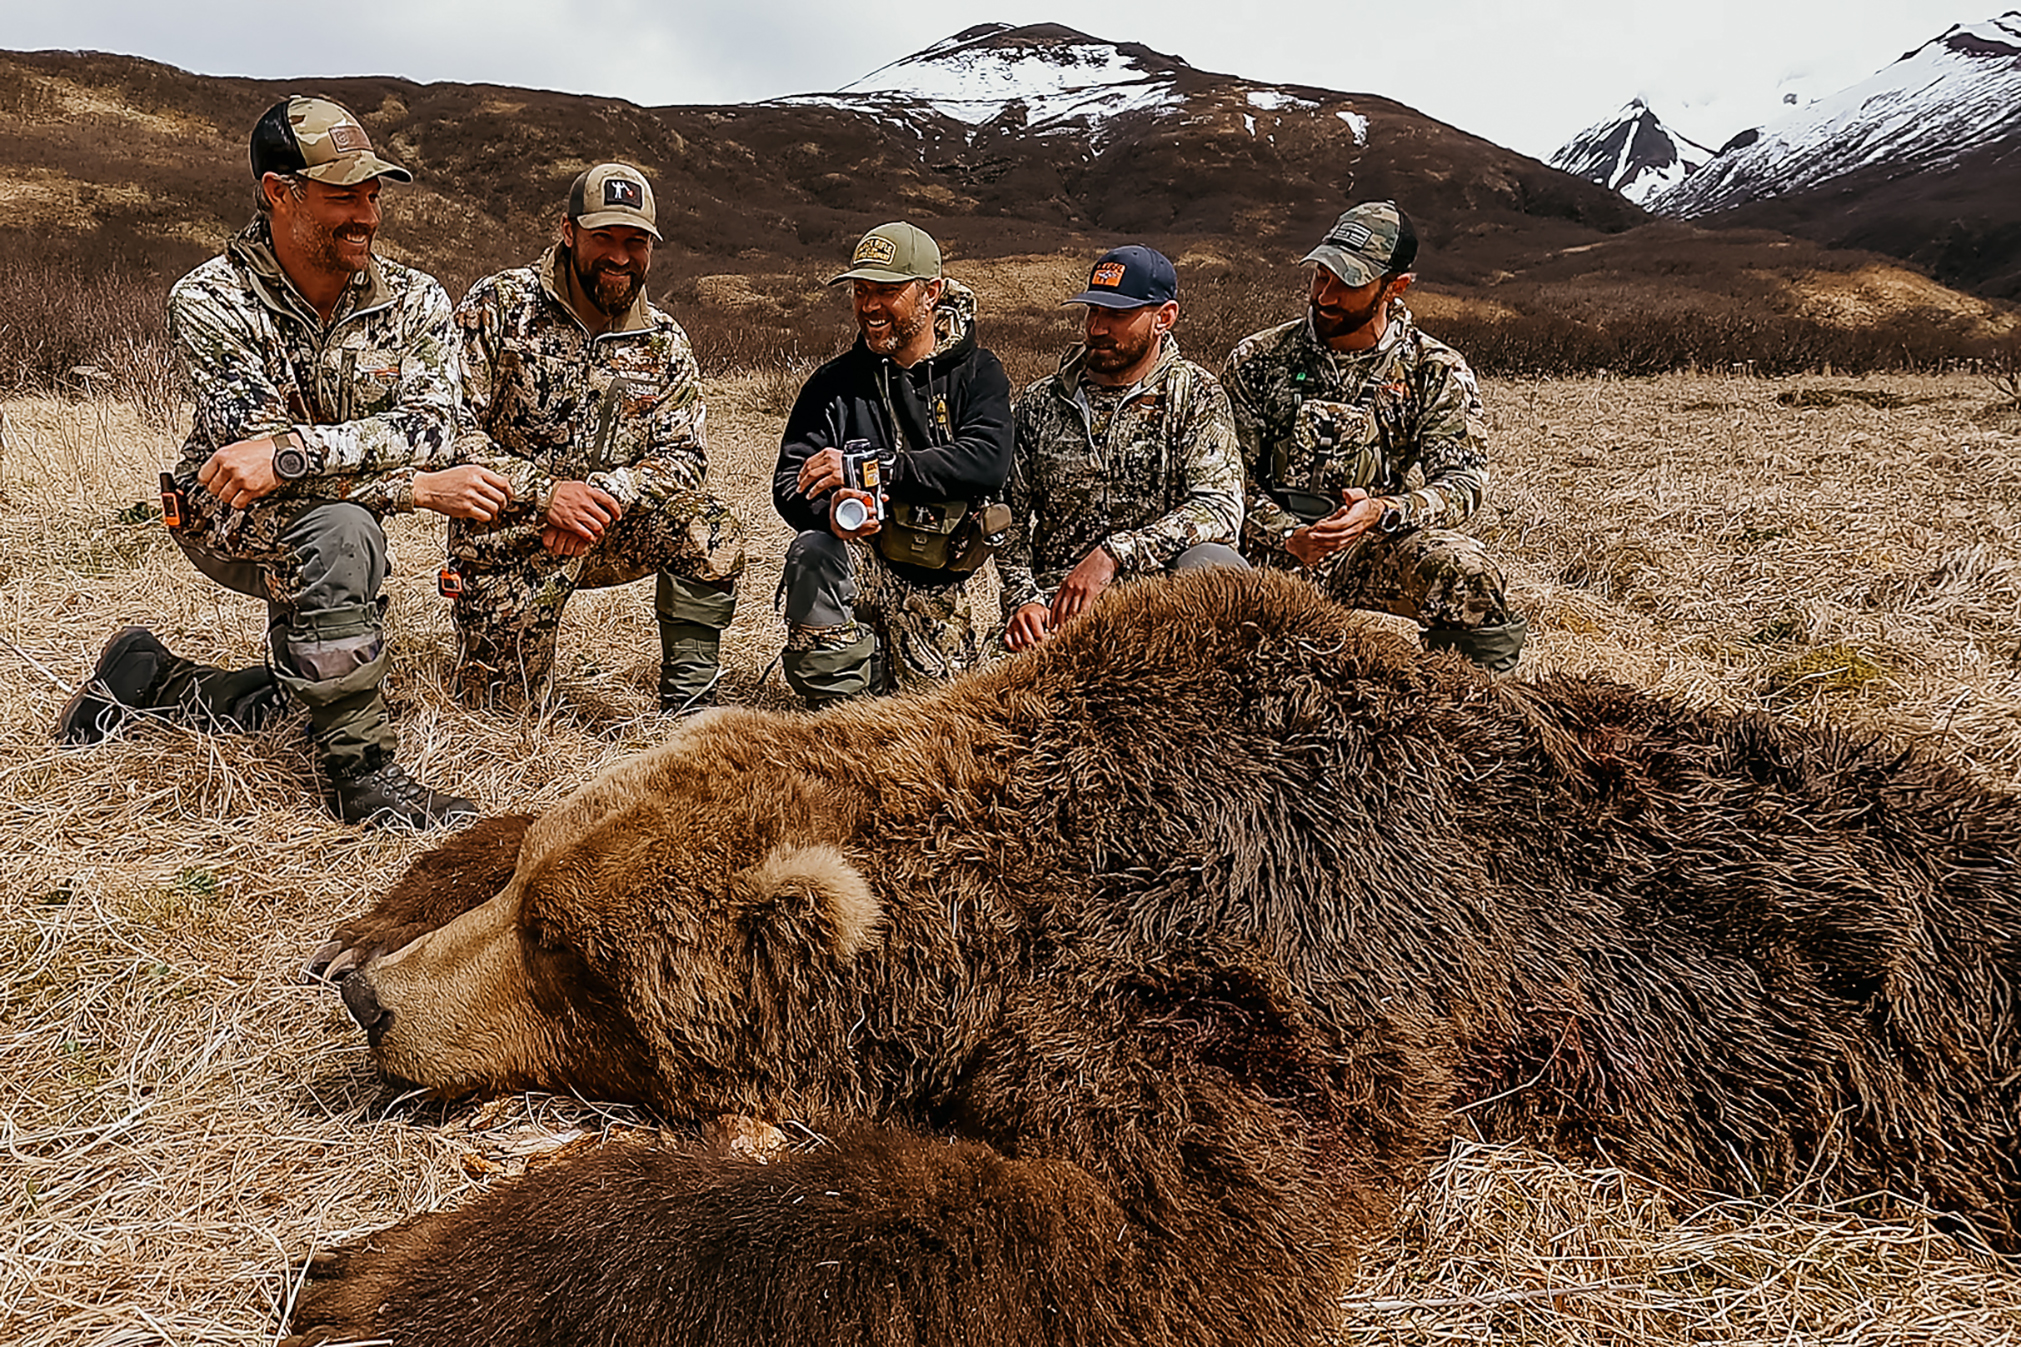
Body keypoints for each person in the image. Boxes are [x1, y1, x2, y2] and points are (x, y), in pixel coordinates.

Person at [56, 96, 501, 827]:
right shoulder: (209, 298)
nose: (367, 214)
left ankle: (151, 681)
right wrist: (413, 490)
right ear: (278, 193)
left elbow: (435, 427)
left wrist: (297, 453)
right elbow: (247, 461)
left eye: (372, 193)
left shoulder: (416, 300)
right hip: (225, 514)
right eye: (342, 196)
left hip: (311, 497)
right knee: (341, 531)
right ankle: (362, 774)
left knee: (307, 683)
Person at [445, 163, 744, 712]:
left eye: (635, 241)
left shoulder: (665, 340)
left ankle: (691, 707)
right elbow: (451, 429)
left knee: (711, 530)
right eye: (603, 237)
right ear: (568, 231)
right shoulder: (500, 307)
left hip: (609, 527)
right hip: (510, 535)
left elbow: (684, 455)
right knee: (502, 714)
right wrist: (548, 496)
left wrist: (601, 498)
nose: (620, 256)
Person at [1225, 201, 1528, 671]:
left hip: (1370, 548)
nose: (1325, 296)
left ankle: (1476, 716)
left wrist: (1381, 512)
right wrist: (1287, 535)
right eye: (1320, 275)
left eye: (1347, 283)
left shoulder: (1435, 369)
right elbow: (1226, 480)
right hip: (1263, 548)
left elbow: (1463, 484)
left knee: (1469, 577)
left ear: (1395, 286)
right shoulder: (1257, 359)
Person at [771, 222, 1013, 707]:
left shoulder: (978, 373)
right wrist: (833, 513)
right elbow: (788, 482)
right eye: (861, 292)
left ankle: (885, 668)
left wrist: (873, 470)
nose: (869, 306)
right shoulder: (833, 384)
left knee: (930, 721)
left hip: (937, 580)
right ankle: (833, 709)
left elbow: (987, 461)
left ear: (932, 293)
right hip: (858, 562)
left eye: (887, 291)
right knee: (813, 551)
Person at [1000, 246, 1245, 651]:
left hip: (1162, 605)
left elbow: (1219, 509)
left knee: (1222, 568)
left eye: (1117, 315)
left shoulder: (1195, 395)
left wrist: (1115, 554)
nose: (1096, 328)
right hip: (1058, 609)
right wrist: (1023, 600)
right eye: (1093, 310)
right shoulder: (1041, 402)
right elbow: (1005, 516)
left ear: (1164, 318)